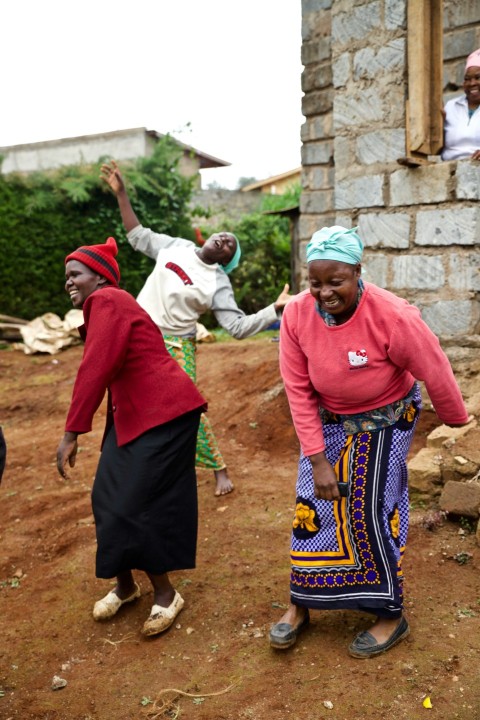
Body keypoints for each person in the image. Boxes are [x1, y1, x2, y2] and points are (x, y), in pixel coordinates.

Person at [269, 226, 471, 658]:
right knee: (313, 504)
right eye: (315, 282)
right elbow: (298, 390)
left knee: (367, 505)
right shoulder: (297, 316)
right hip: (328, 419)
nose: (324, 292)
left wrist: (456, 418)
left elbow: (433, 366)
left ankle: (389, 614)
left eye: (335, 281)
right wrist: (318, 459)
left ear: (358, 271)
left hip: (387, 416)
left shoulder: (394, 316)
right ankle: (302, 602)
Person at [100, 160, 291, 497]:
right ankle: (131, 463)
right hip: (137, 335)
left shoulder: (217, 282)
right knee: (123, 397)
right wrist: (123, 194)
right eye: (225, 235)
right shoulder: (176, 247)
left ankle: (218, 468)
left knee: (187, 409)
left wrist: (273, 309)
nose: (225, 239)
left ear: (225, 261)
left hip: (175, 346)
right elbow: (137, 235)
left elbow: (236, 326)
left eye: (230, 246)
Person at [56, 237, 207, 637]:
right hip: (137, 416)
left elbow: (96, 368)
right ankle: (125, 587)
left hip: (166, 415)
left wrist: (72, 431)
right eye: (66, 276)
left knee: (135, 503)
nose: (68, 283)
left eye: (75, 275)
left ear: (99, 276)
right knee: (106, 498)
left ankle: (165, 594)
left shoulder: (108, 300)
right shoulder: (107, 305)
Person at [442, 48, 480, 161]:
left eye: (478, 78)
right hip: (451, 172)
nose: (472, 83)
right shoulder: (451, 106)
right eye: (467, 79)